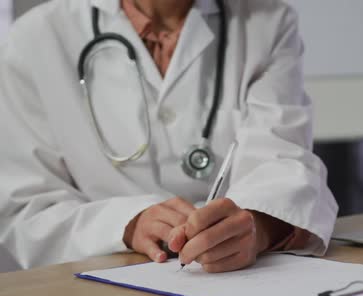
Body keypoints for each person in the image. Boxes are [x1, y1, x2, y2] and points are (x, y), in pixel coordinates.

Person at [0, 0, 338, 272]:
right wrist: (124, 225)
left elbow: (283, 161)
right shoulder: (36, 38)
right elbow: (26, 208)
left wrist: (257, 226)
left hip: (234, 282)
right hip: (101, 291)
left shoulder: (268, 21)